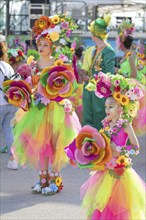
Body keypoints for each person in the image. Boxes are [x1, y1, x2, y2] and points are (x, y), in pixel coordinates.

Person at [3, 15, 81, 196]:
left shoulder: (58, 62)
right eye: (40, 44)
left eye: (45, 44)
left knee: (55, 144)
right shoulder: (34, 64)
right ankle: (43, 178)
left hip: (56, 109)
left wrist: (60, 95)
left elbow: (68, 85)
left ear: (52, 46)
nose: (42, 47)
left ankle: (55, 179)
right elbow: (31, 85)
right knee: (42, 146)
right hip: (39, 109)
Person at [65, 72, 145, 220]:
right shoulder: (106, 123)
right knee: (101, 205)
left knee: (119, 207)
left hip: (120, 171)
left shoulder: (125, 125)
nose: (107, 110)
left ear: (120, 108)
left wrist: (120, 150)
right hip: (105, 168)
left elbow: (136, 147)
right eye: (106, 106)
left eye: (111, 106)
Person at [81, 13, 116, 130]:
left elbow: (109, 76)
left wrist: (90, 78)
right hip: (89, 92)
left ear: (94, 35)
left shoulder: (108, 51)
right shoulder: (95, 49)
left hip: (100, 94)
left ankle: (100, 146)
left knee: (99, 122)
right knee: (88, 120)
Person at [0, 36, 18, 169]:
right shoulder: (7, 66)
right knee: (8, 130)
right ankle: (14, 160)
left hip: (0, 104)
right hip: (11, 103)